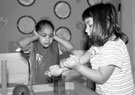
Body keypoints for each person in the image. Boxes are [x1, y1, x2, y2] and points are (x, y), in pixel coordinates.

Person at [47, 3, 135, 95]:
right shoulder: (98, 44)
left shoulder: (112, 46)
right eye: (86, 25)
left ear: (106, 23)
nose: (85, 30)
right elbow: (81, 60)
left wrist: (78, 67)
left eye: (90, 25)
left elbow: (101, 77)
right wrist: (61, 68)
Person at [17, 19, 73, 85]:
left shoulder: (56, 46)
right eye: (43, 35)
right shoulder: (32, 47)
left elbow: (70, 47)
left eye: (50, 36)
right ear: (37, 34)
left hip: (54, 85)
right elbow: (21, 43)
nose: (47, 39)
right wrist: (34, 36)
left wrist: (55, 37)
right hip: (36, 86)